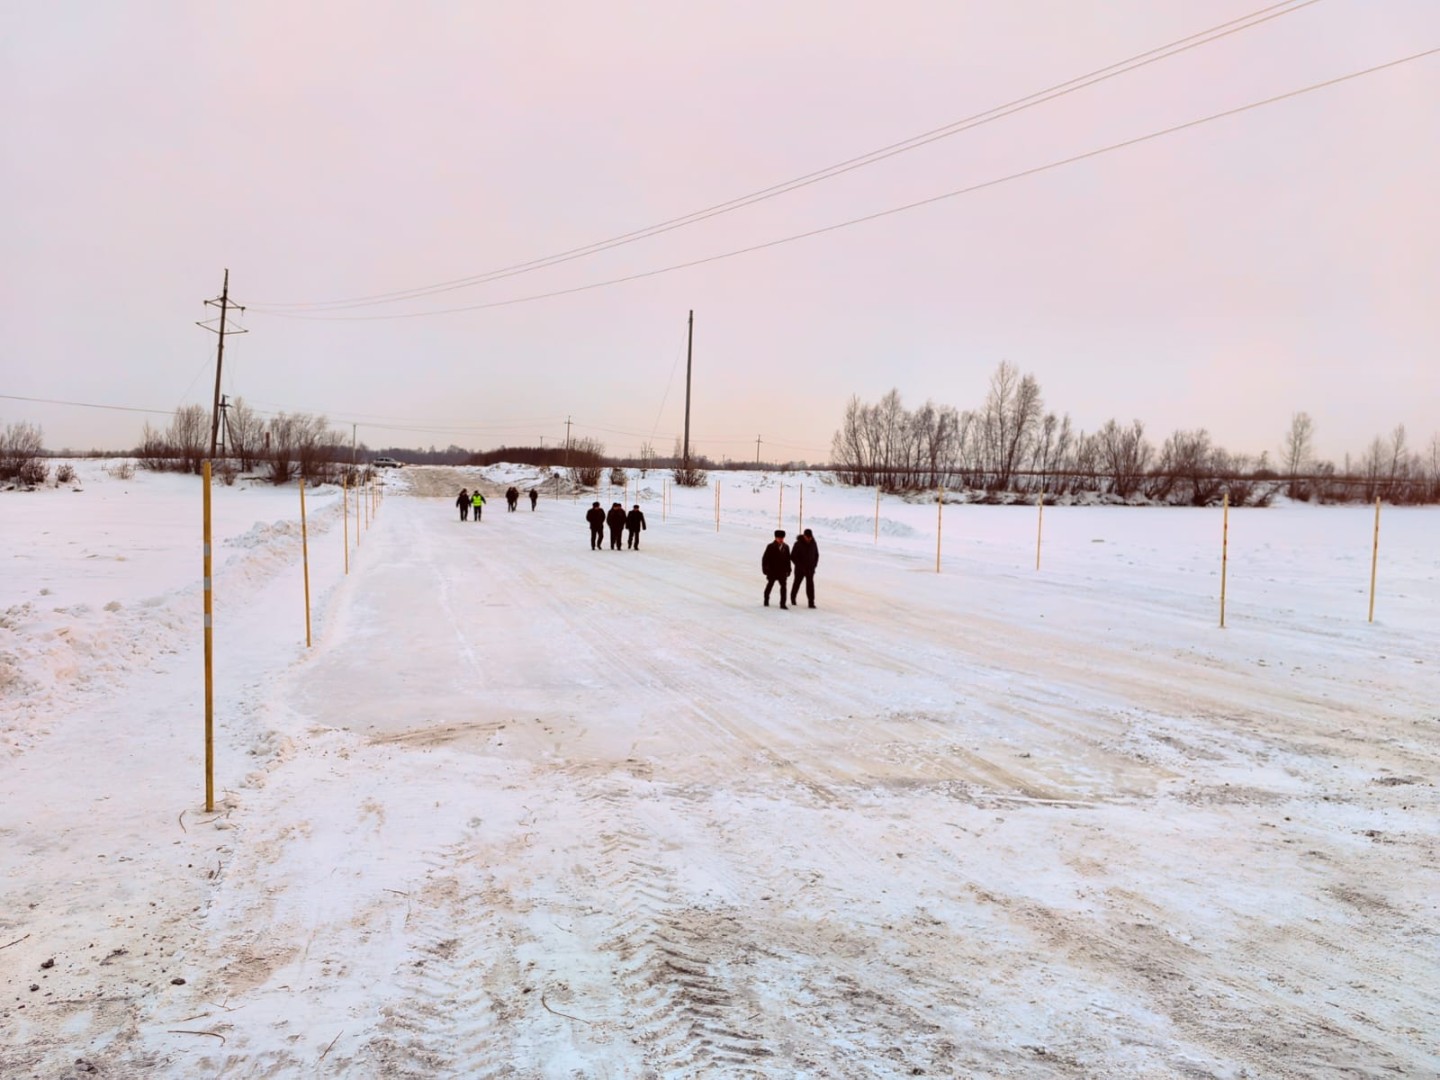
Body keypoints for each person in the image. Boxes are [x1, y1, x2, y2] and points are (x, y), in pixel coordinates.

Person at [762, 529, 792, 609]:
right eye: (779, 538)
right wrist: (765, 569)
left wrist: (789, 569)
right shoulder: (770, 546)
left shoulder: (786, 547)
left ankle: (783, 604)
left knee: (783, 587)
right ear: (775, 538)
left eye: (782, 538)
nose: (781, 540)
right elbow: (765, 559)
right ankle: (766, 600)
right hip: (772, 571)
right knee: (770, 585)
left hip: (782, 571)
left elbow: (788, 560)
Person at [790, 528, 819, 608]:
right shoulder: (798, 544)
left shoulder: (813, 543)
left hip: (810, 569)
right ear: (804, 536)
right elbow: (792, 556)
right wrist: (799, 566)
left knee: (810, 586)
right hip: (800, 569)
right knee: (797, 584)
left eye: (810, 537)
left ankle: (811, 602)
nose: (809, 539)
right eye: (807, 537)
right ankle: (793, 598)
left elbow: (816, 555)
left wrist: (814, 565)